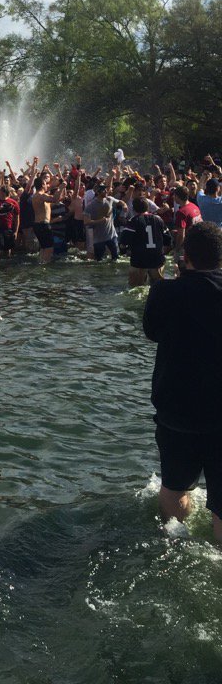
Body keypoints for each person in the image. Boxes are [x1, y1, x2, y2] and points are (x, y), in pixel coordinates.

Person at [142, 222, 222, 544]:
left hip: (177, 412)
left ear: (184, 256)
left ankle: (174, 543)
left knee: (174, 487)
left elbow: (152, 332)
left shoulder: (166, 291)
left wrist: (179, 282)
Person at [120, 197, 167, 287]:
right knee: (158, 287)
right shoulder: (158, 219)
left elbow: (123, 242)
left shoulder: (133, 221)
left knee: (135, 288)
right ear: (147, 208)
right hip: (157, 258)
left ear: (133, 208)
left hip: (139, 259)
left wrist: (124, 251)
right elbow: (168, 240)